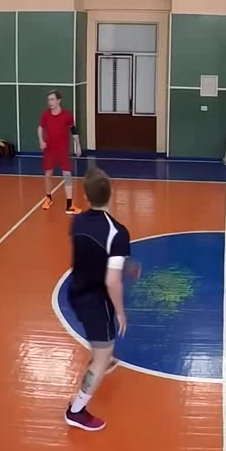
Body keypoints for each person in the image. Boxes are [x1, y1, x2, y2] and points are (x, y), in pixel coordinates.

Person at [64, 168, 130, 432]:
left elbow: (93, 255)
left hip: (75, 292)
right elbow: (111, 281)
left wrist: (125, 267)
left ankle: (104, 355)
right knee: (101, 358)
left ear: (85, 195)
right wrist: (120, 312)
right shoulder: (118, 232)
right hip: (95, 301)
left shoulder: (77, 221)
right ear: (111, 194)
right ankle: (76, 409)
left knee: (102, 346)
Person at [38, 89, 83, 214]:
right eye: (48, 100)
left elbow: (74, 131)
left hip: (63, 150)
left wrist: (78, 146)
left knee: (67, 176)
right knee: (48, 174)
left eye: (52, 99)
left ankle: (69, 206)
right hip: (50, 150)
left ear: (58, 100)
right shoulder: (45, 115)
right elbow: (40, 128)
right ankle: (48, 198)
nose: (50, 102)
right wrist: (41, 141)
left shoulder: (67, 115)